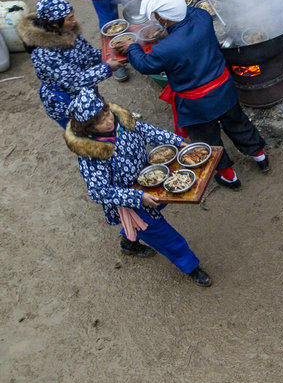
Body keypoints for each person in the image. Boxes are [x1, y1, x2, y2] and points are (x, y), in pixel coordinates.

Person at [125, 0, 269, 190]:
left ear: (164, 19)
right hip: (224, 90)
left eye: (156, 16)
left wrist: (131, 47)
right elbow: (186, 13)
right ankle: (260, 158)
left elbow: (144, 65)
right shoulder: (202, 17)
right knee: (238, 123)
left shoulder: (166, 48)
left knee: (208, 141)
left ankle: (230, 178)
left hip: (196, 104)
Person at [63, 89, 211, 286]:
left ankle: (129, 242)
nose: (108, 120)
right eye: (99, 121)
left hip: (150, 182)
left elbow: (148, 131)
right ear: (88, 128)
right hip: (132, 203)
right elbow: (98, 192)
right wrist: (137, 198)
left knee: (152, 217)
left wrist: (177, 142)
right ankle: (191, 267)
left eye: (106, 113)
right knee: (165, 236)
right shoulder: (91, 154)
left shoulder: (123, 122)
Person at [16, 0, 124, 127]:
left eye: (73, 16)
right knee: (84, 133)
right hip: (66, 102)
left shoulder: (69, 32)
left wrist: (112, 54)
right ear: (54, 23)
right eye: (69, 18)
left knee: (100, 123)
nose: (74, 21)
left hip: (85, 93)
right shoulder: (44, 53)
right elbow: (74, 81)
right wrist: (107, 68)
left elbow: (88, 54)